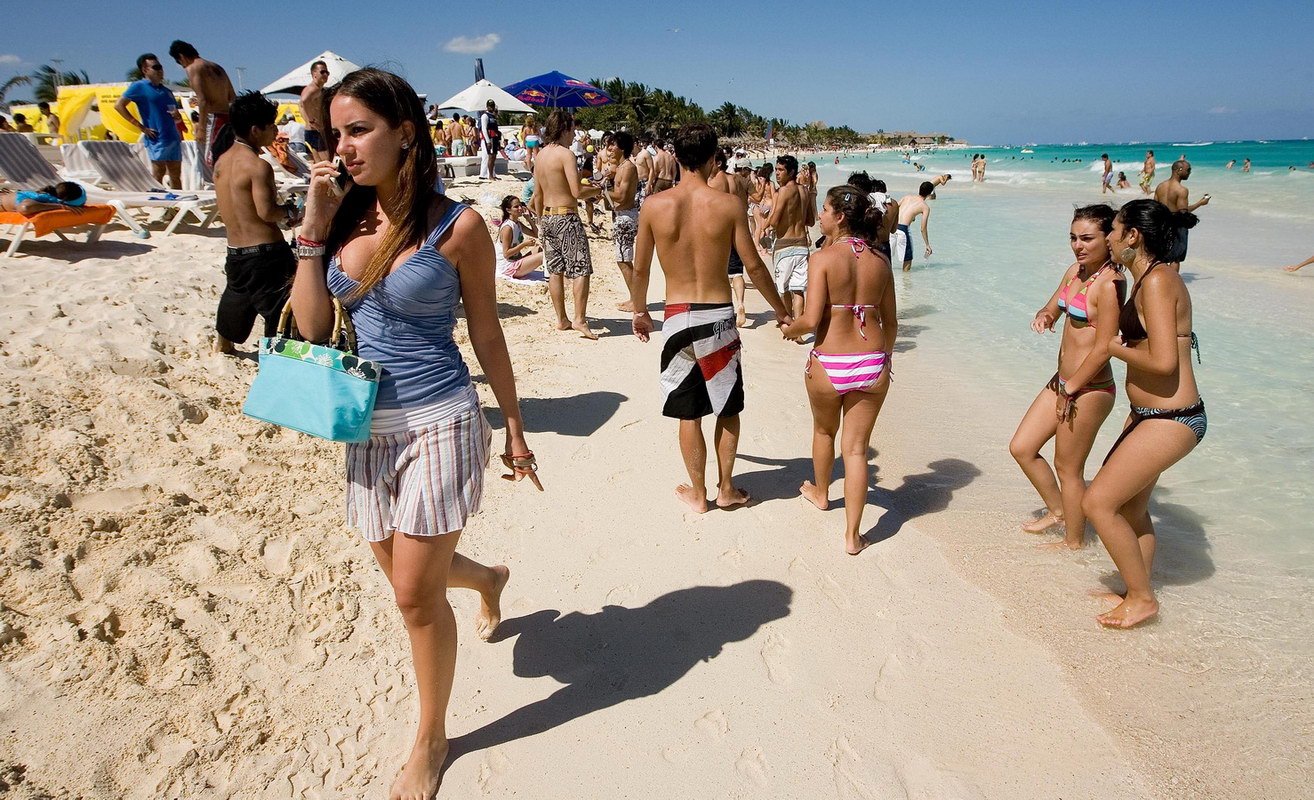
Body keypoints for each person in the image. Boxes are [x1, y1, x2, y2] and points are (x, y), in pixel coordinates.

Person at [289, 67, 537, 798]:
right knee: (406, 577)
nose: (345, 146)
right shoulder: (339, 219)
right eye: (337, 133)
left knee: (411, 597)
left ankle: (432, 738)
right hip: (364, 425)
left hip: (440, 418)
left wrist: (515, 426)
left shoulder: (456, 227)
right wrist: (311, 220)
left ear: (404, 132)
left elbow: (488, 335)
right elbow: (308, 326)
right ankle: (488, 577)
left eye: (359, 129)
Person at [630, 123, 791, 513]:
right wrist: (781, 310)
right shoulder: (728, 205)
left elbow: (640, 269)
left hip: (677, 318)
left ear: (678, 156)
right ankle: (727, 489)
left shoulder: (654, 205)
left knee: (689, 411)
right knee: (727, 406)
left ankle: (699, 495)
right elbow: (752, 265)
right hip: (718, 316)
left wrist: (639, 310)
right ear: (711, 157)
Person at [1083, 199, 1204, 629]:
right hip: (1151, 415)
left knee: (1097, 502)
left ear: (1133, 236)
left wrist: (1111, 345)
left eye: (1114, 231)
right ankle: (1135, 585)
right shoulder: (1147, 279)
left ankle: (1141, 598)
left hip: (1174, 418)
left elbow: (1164, 362)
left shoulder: (1156, 282)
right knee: (1131, 508)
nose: (1110, 239)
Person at [781, 186, 896, 555]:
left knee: (823, 430)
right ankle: (852, 536)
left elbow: (811, 319)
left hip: (831, 363)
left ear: (840, 217)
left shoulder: (823, 258)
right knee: (857, 450)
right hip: (872, 363)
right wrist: (885, 357)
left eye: (825, 209)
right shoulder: (880, 261)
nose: (820, 215)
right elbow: (891, 322)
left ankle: (820, 492)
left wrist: (788, 329)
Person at [1009, 205, 1124, 549]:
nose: (1078, 245)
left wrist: (1071, 389)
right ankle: (1060, 511)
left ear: (1109, 238)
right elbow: (1052, 308)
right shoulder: (1075, 272)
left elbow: (1106, 347)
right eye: (1073, 238)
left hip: (1090, 388)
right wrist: (1044, 317)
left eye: (1087, 238)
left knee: (1068, 468)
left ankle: (1074, 543)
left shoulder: (1111, 284)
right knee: (1022, 447)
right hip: (1062, 382)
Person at [210, 91, 298, 356]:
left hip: (235, 250)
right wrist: (290, 210)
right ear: (255, 129)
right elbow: (267, 212)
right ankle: (277, 353)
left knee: (237, 296)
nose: (275, 130)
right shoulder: (258, 166)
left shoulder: (222, 162)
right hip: (265, 252)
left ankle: (224, 342)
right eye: (271, 126)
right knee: (280, 306)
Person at [530, 109, 602, 339]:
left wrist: (541, 222)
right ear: (564, 129)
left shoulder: (540, 155)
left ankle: (562, 319)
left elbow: (536, 198)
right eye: (573, 129)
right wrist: (597, 190)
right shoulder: (566, 154)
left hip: (548, 218)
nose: (575, 135)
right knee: (581, 267)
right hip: (566, 216)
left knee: (555, 270)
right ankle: (580, 319)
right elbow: (577, 190)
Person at [115, 54, 184, 190]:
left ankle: (177, 206)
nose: (160, 70)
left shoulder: (167, 91)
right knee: (158, 174)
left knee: (176, 175)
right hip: (156, 137)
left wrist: (177, 117)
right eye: (156, 67)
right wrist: (140, 127)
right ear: (145, 70)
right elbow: (119, 105)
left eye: (161, 67)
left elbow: (176, 116)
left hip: (172, 137)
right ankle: (160, 205)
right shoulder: (139, 86)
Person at [169, 40, 236, 170]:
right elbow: (232, 97)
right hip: (227, 117)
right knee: (227, 157)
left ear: (181, 57)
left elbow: (203, 99)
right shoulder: (217, 67)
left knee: (211, 161)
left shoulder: (193, 68)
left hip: (214, 118)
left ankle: (217, 188)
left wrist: (201, 127)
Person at [765, 155, 812, 320]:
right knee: (798, 289)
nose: (777, 174)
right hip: (802, 245)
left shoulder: (784, 191)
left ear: (791, 172)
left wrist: (767, 218)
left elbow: (774, 221)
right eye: (776, 170)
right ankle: (798, 324)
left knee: (783, 288)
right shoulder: (805, 190)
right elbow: (811, 221)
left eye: (781, 170)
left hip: (784, 246)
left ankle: (788, 322)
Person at [708, 147, 750, 327]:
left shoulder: (713, 183)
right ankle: (740, 303)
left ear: (717, 163)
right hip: (737, 230)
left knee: (720, 274)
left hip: (720, 232)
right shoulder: (736, 180)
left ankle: (726, 307)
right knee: (737, 272)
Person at [605, 131, 641, 311]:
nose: (609, 149)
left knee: (624, 260)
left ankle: (637, 301)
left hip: (626, 217)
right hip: (622, 215)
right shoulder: (620, 167)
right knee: (623, 259)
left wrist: (600, 190)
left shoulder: (627, 168)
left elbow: (621, 195)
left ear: (623, 148)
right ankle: (634, 298)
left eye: (613, 145)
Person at [1153, 160, 1209, 271]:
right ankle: (1172, 283)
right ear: (1179, 170)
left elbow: (1155, 207)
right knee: (1175, 258)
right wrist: (1200, 203)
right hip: (1176, 225)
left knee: (1161, 256)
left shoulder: (1160, 186)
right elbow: (1183, 212)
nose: (1189, 172)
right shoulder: (1181, 190)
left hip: (1162, 223)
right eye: (1188, 170)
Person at [495, 195, 544, 278]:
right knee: (543, 255)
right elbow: (506, 254)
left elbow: (535, 234)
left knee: (541, 249)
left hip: (516, 260)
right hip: (507, 266)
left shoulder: (517, 224)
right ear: (508, 210)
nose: (520, 208)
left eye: (520, 205)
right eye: (516, 207)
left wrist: (529, 219)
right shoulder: (508, 228)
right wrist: (524, 244)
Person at [893, 181, 935, 270]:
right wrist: (927, 245)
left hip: (892, 227)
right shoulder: (925, 207)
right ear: (930, 194)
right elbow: (923, 228)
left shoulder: (907, 197)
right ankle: (905, 282)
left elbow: (894, 208)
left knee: (888, 256)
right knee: (907, 259)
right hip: (903, 230)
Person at [300, 60, 330, 160]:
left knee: (318, 163)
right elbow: (304, 100)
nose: (325, 74)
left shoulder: (315, 89)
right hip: (315, 131)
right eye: (322, 72)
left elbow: (301, 105)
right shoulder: (314, 89)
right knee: (325, 162)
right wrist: (311, 120)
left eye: (327, 72)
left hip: (312, 131)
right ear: (314, 74)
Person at [0, 181, 87, 215]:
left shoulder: (48, 198)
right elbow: (25, 208)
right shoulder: (43, 199)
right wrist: (60, 207)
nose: (84, 204)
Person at [478, 100, 502, 180]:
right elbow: (484, 129)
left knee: (494, 156)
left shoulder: (493, 116)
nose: (491, 107)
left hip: (494, 138)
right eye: (490, 106)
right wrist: (487, 141)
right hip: (490, 138)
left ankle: (493, 174)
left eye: (492, 106)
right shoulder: (485, 116)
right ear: (487, 106)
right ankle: (490, 175)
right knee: (490, 156)